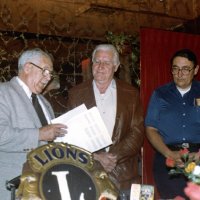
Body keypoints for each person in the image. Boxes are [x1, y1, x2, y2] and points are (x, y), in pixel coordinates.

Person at [67, 44, 144, 199]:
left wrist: (113, 157)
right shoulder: (75, 94)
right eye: (97, 61)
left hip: (123, 175)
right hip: (87, 174)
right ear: (92, 65)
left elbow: (138, 131)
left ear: (115, 66)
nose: (100, 67)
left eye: (106, 62)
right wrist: (97, 157)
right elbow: (70, 135)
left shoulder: (131, 94)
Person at [0, 48, 67, 199]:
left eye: (50, 74)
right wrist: (39, 134)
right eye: (45, 71)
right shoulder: (3, 92)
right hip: (12, 189)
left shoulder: (44, 103)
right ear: (28, 67)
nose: (47, 78)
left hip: (42, 187)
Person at [145, 48, 200, 199]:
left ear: (195, 70)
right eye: (175, 69)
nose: (179, 74)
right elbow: (150, 129)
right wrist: (169, 154)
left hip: (198, 157)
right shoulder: (160, 94)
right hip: (168, 157)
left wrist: (198, 156)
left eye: (185, 69)